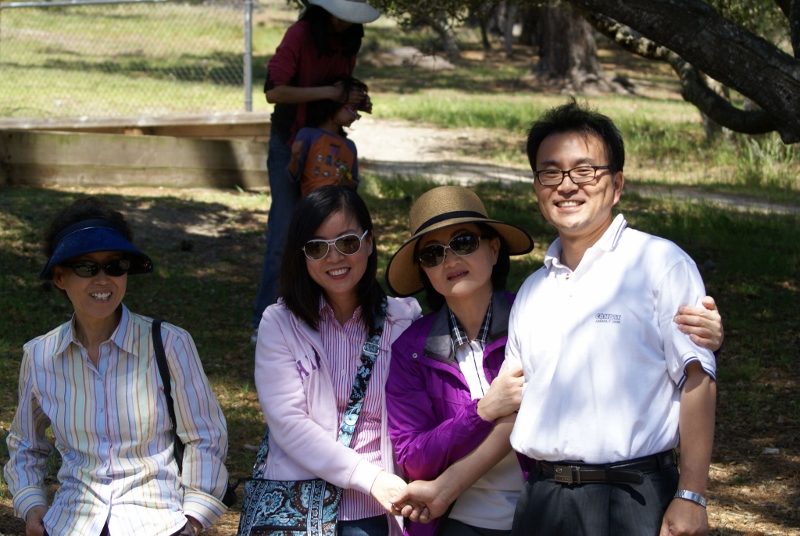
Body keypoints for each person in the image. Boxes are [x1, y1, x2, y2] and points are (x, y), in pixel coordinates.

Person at [383, 187, 724, 536]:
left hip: (543, 508)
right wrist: (482, 411)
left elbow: (617, 354)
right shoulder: (412, 349)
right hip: (460, 522)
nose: (451, 260)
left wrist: (702, 340)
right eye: (433, 253)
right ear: (423, 269)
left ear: (494, 248)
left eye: (464, 242)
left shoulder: (539, 310)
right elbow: (413, 458)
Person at [507, 101, 717, 535]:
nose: (567, 186)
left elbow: (697, 380)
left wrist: (692, 494)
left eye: (585, 171)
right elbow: (516, 396)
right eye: (550, 173)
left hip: (632, 497)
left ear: (616, 184)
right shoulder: (531, 291)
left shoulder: (661, 264)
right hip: (543, 500)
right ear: (536, 187)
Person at [4, 197, 230, 536]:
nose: (103, 279)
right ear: (60, 277)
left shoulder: (169, 343)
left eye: (115, 266)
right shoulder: (40, 355)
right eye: (86, 267)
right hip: (71, 524)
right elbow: (25, 444)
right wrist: (32, 504)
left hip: (157, 523)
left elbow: (206, 437)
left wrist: (194, 518)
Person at [253, 185, 422, 536]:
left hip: (376, 509)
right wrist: (370, 478)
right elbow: (289, 423)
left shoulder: (404, 321)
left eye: (347, 242)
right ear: (302, 255)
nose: (334, 257)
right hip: (296, 507)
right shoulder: (279, 324)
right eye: (317, 247)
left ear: (369, 242)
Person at [251, 0, 378, 342]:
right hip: (291, 140)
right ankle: (264, 320)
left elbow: (340, 87)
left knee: (326, 234)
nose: (346, 22)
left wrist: (351, 99)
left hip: (326, 146)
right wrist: (331, 93)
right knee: (284, 232)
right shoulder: (300, 34)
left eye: (352, 16)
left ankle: (316, 315)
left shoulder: (349, 40)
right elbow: (273, 91)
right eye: (341, 14)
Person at [289, 75, 368, 197]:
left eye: (357, 110)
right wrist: (294, 158)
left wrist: (346, 181)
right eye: (352, 108)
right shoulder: (308, 135)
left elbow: (354, 185)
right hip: (313, 204)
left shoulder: (350, 146)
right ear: (333, 103)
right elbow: (293, 176)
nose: (355, 115)